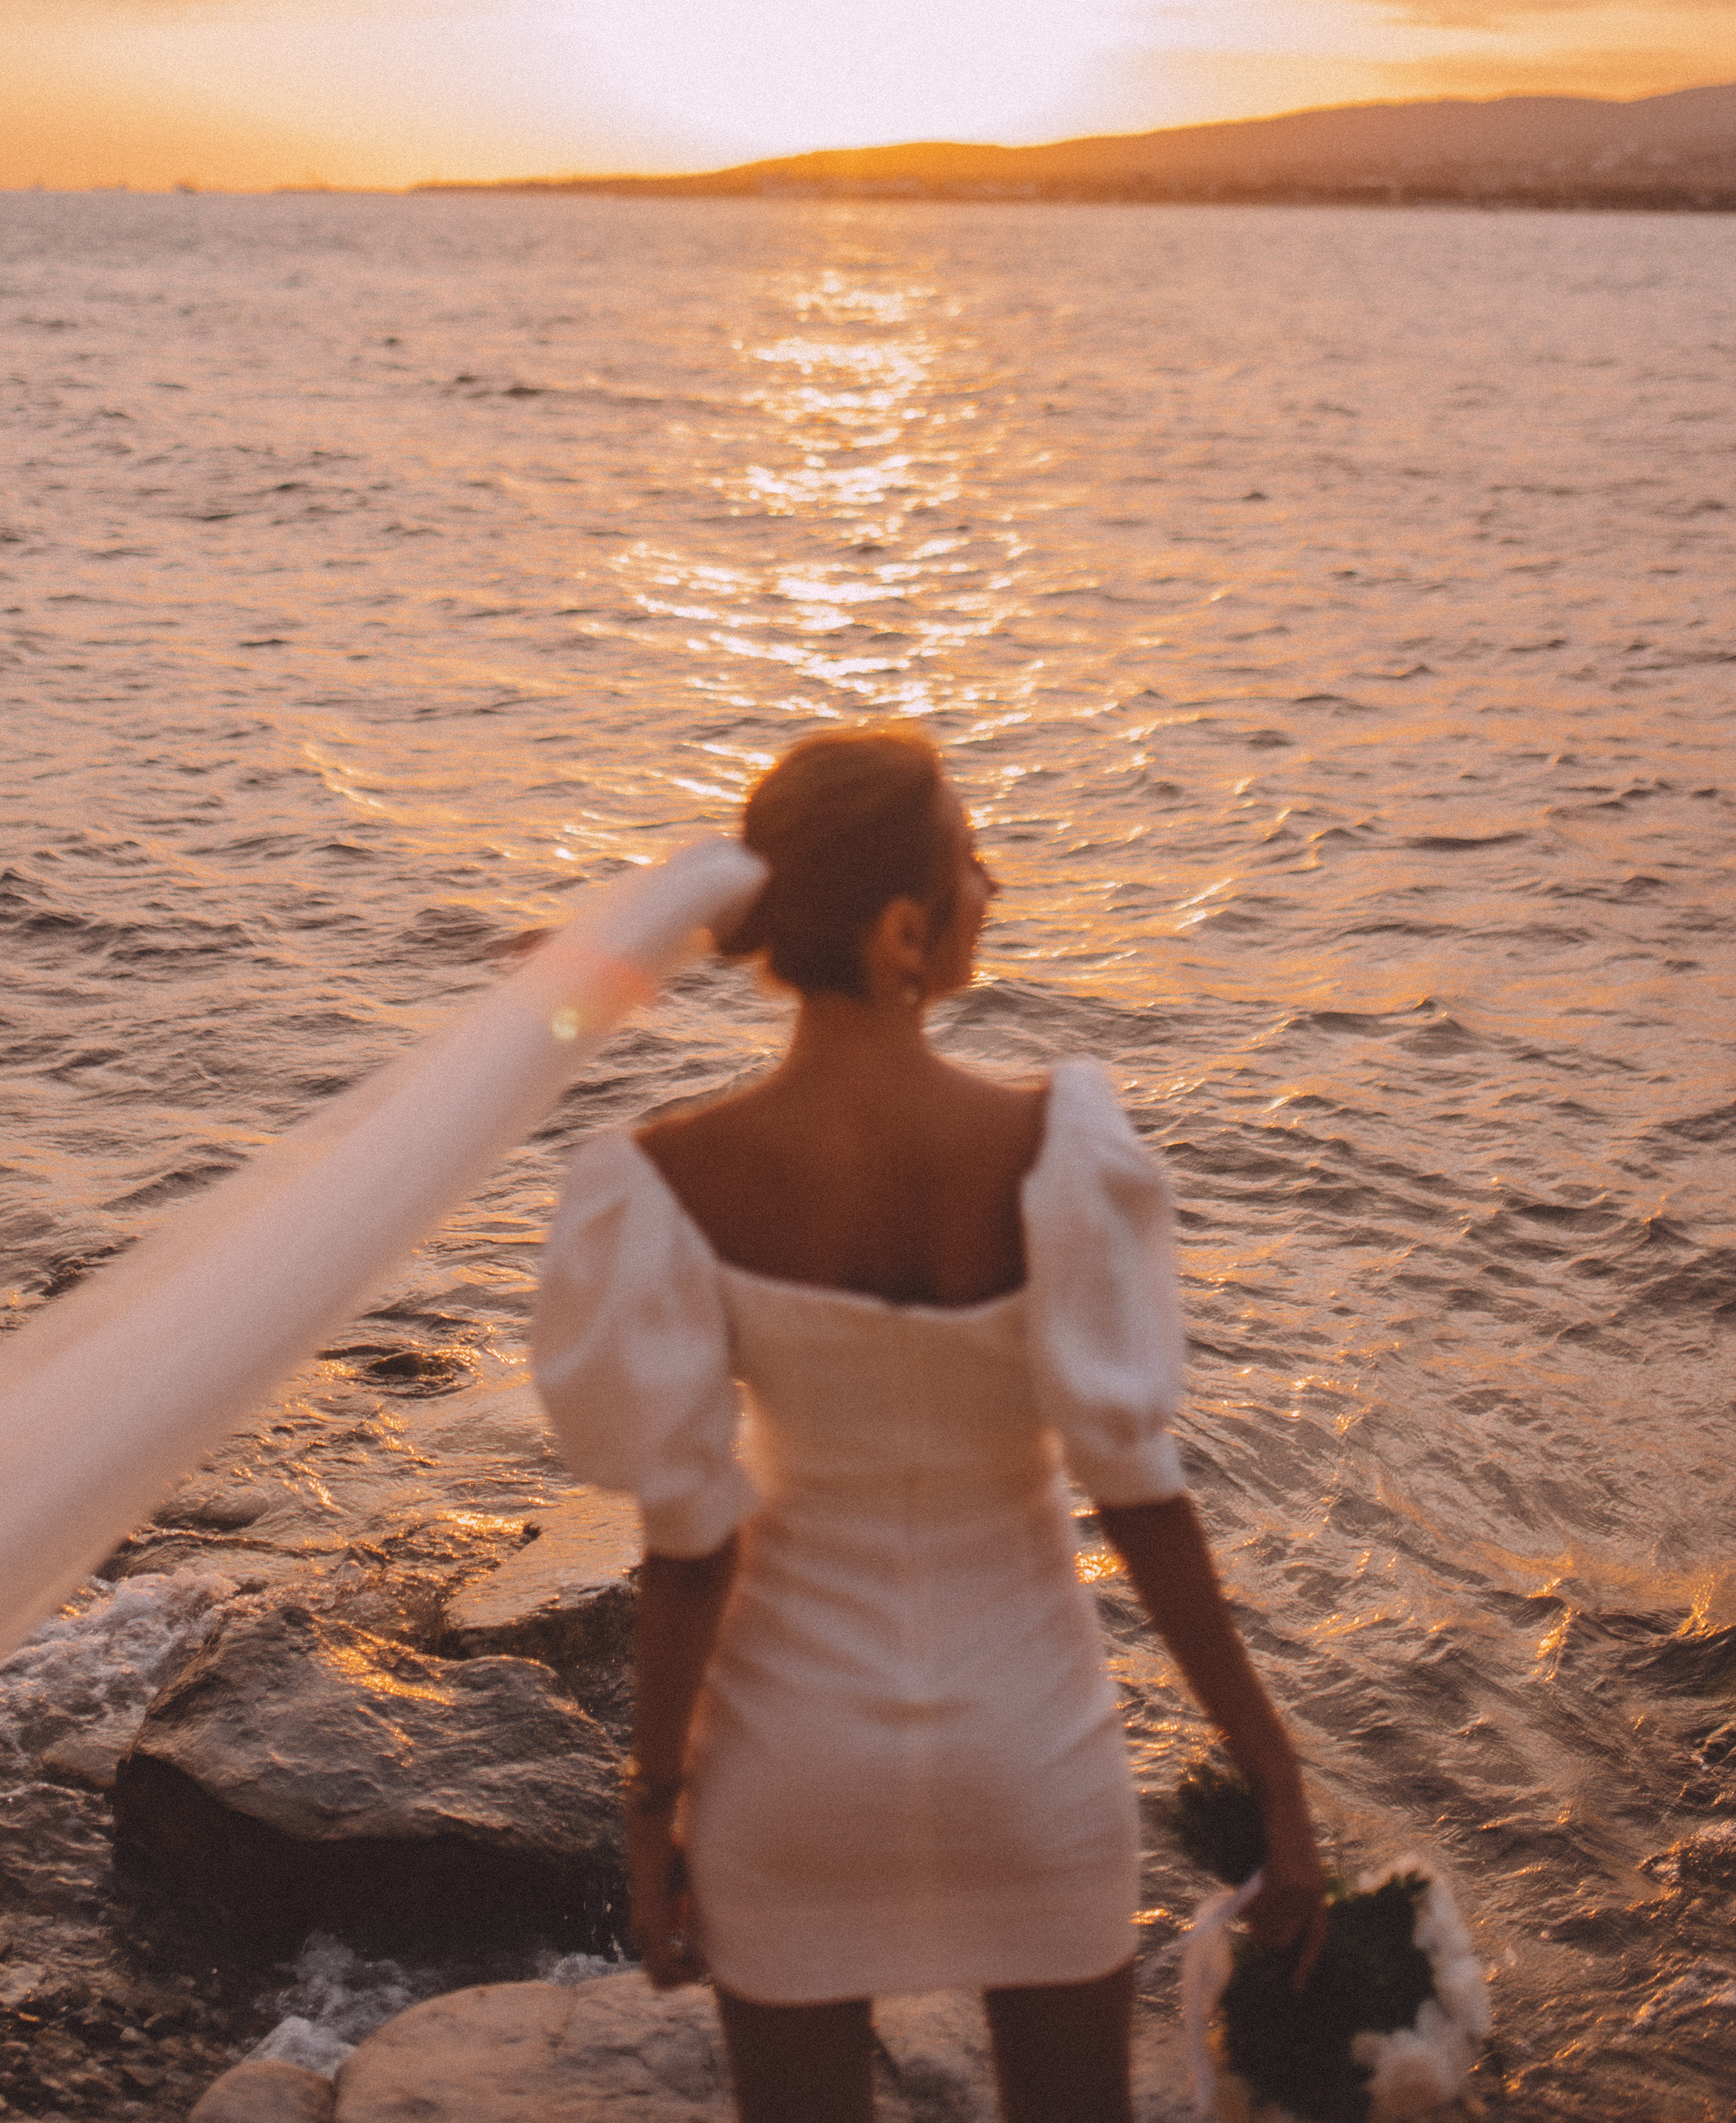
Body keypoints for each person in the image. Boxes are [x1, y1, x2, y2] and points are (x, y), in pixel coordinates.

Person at [530, 727, 1325, 2123]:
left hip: (791, 1756)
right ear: (905, 928)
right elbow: (1139, 1500)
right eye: (968, 854)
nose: (992, 881)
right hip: (1030, 1751)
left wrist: (656, 1804)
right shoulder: (1055, 1155)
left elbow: (692, 1545)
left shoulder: (666, 1178)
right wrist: (1273, 1769)